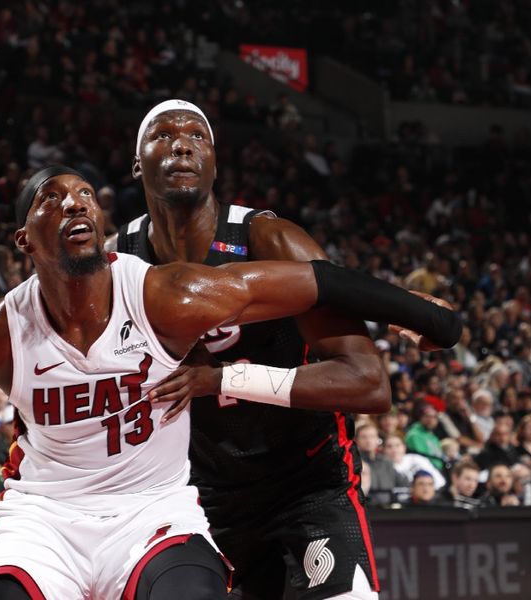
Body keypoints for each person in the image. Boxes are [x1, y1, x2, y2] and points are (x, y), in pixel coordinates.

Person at [0, 167, 461, 600]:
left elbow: (312, 281)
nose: (73, 202)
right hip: (45, 516)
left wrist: (416, 310)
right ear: (24, 240)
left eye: (84, 195)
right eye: (51, 198)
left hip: (156, 508)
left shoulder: (162, 293)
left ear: (103, 230)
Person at [110, 99, 454, 599]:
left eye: (197, 136)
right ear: (138, 161)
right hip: (194, 497)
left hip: (306, 482)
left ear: (214, 161)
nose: (182, 143)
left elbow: (368, 382)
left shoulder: (270, 240)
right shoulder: (117, 263)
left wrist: (224, 378)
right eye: (163, 134)